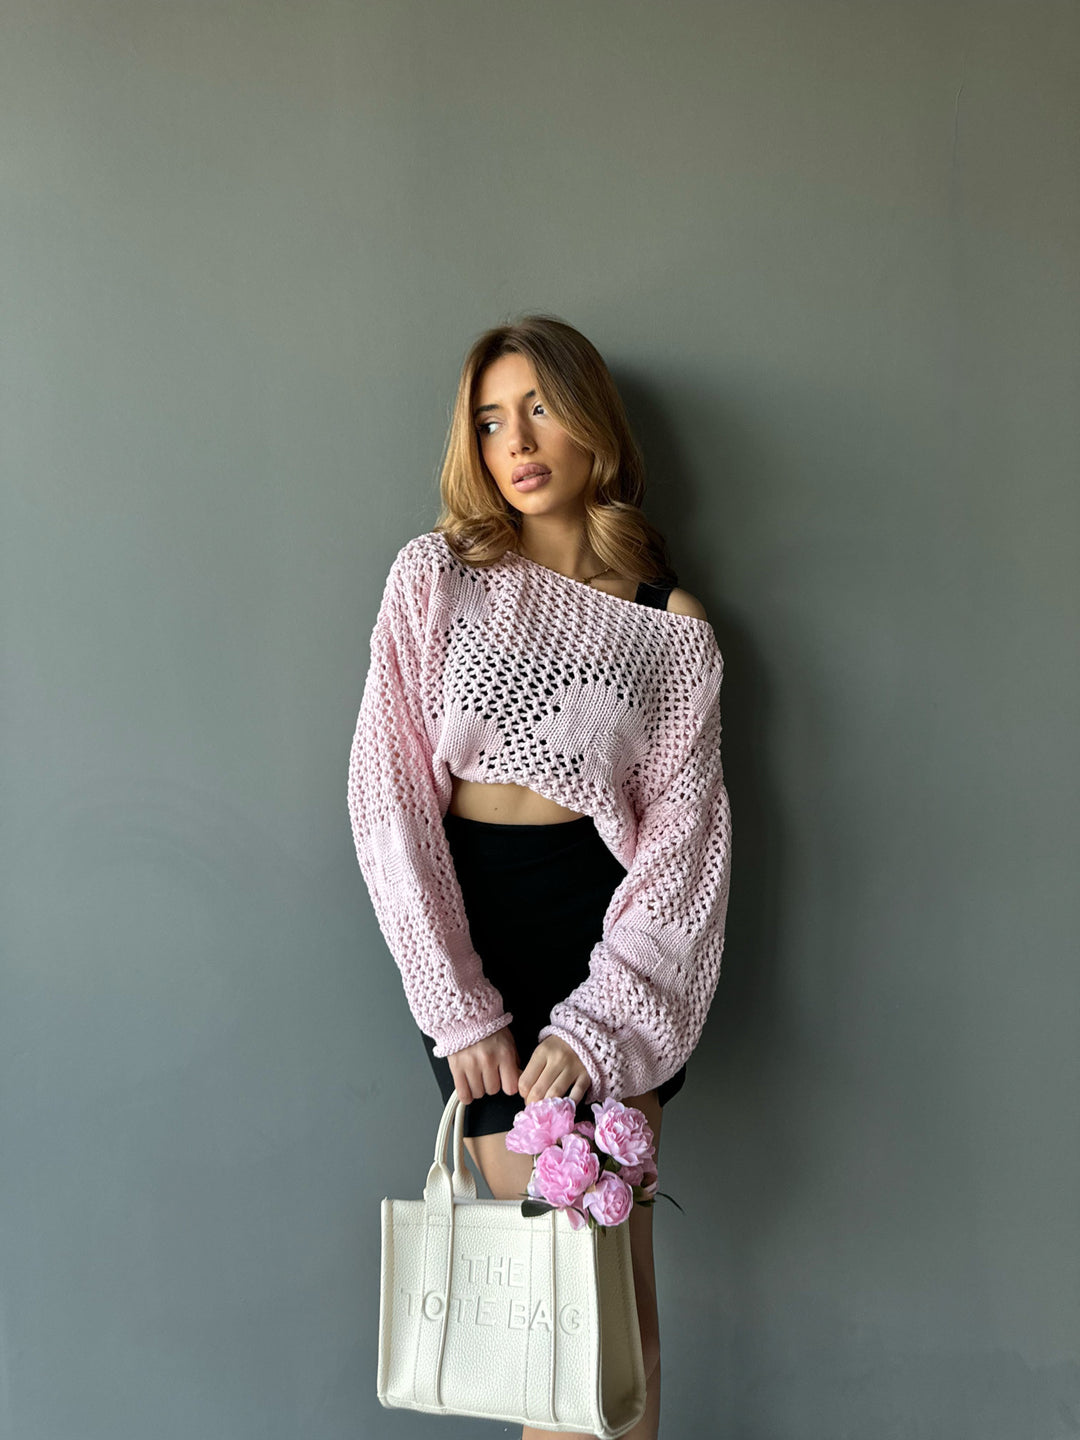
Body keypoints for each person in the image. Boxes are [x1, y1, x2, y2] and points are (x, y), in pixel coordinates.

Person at [347, 313, 732, 1440]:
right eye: (489, 420)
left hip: (607, 954)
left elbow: (685, 854)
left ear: (590, 423)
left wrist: (604, 1023)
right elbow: (387, 798)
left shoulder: (670, 629)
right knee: (552, 1320)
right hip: (475, 936)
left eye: (539, 409)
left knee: (621, 1322)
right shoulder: (437, 577)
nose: (514, 441)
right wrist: (456, 999)